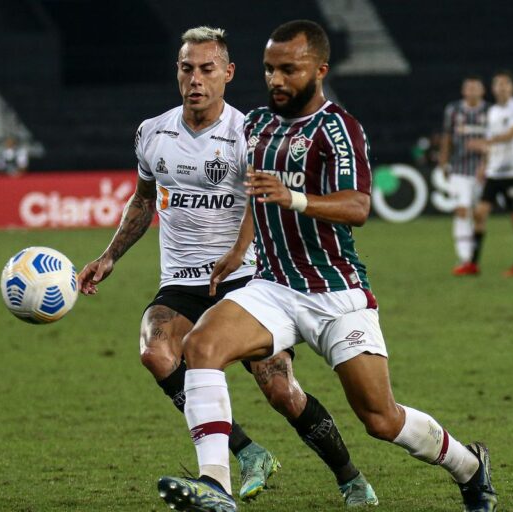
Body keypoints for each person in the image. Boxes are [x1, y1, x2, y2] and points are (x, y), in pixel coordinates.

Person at [156, 21, 497, 512]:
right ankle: (217, 486)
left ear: (319, 70)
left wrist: (292, 197)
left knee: (381, 419)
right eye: (270, 69)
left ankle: (469, 465)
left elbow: (358, 206)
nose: (276, 79)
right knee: (201, 347)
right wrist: (240, 247)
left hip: (335, 293)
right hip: (272, 286)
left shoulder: (339, 129)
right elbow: (257, 192)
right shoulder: (257, 125)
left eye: (288, 70)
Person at [78, 26, 377, 507]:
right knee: (156, 352)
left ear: (228, 74)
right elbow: (143, 200)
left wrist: (239, 252)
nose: (195, 79)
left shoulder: (248, 132)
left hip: (245, 280)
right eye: (186, 68)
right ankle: (246, 453)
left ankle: (349, 476)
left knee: (281, 391)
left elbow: (261, 203)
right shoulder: (152, 133)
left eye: (207, 69)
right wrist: (109, 255)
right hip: (181, 280)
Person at [467, 71, 513, 277]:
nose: (502, 88)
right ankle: (473, 263)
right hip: (494, 172)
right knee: (480, 213)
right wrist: (483, 166)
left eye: (505, 84)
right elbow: (491, 143)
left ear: (512, 87)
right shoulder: (492, 111)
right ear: (493, 89)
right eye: (498, 84)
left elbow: (512, 134)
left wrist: (486, 143)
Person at [441, 76, 490, 276]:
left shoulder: (490, 112)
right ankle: (464, 258)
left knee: (479, 214)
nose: (471, 91)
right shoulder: (453, 111)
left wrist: (486, 160)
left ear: (482, 91)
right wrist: (443, 161)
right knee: (462, 211)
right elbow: (447, 137)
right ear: (463, 91)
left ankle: (474, 257)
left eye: (475, 88)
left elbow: (496, 141)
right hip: (459, 169)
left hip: (483, 171)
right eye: (468, 87)